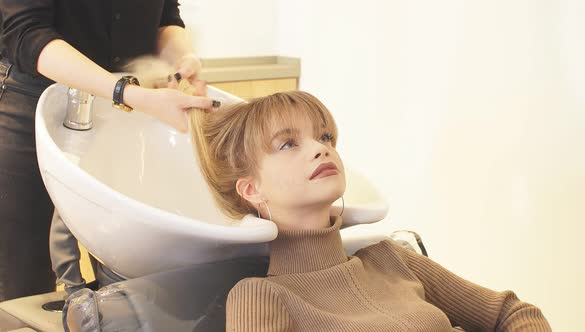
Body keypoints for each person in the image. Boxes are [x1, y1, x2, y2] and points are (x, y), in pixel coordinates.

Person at [186, 91, 552, 331]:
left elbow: (514, 312)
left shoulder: (392, 258)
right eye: (288, 144)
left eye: (325, 136)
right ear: (252, 190)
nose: (320, 149)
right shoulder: (262, 297)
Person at [0, 1, 218, 301]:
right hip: (35, 108)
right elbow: (26, 34)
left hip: (123, 112)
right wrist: (125, 91)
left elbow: (167, 18)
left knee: (122, 276)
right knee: (23, 281)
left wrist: (183, 59)